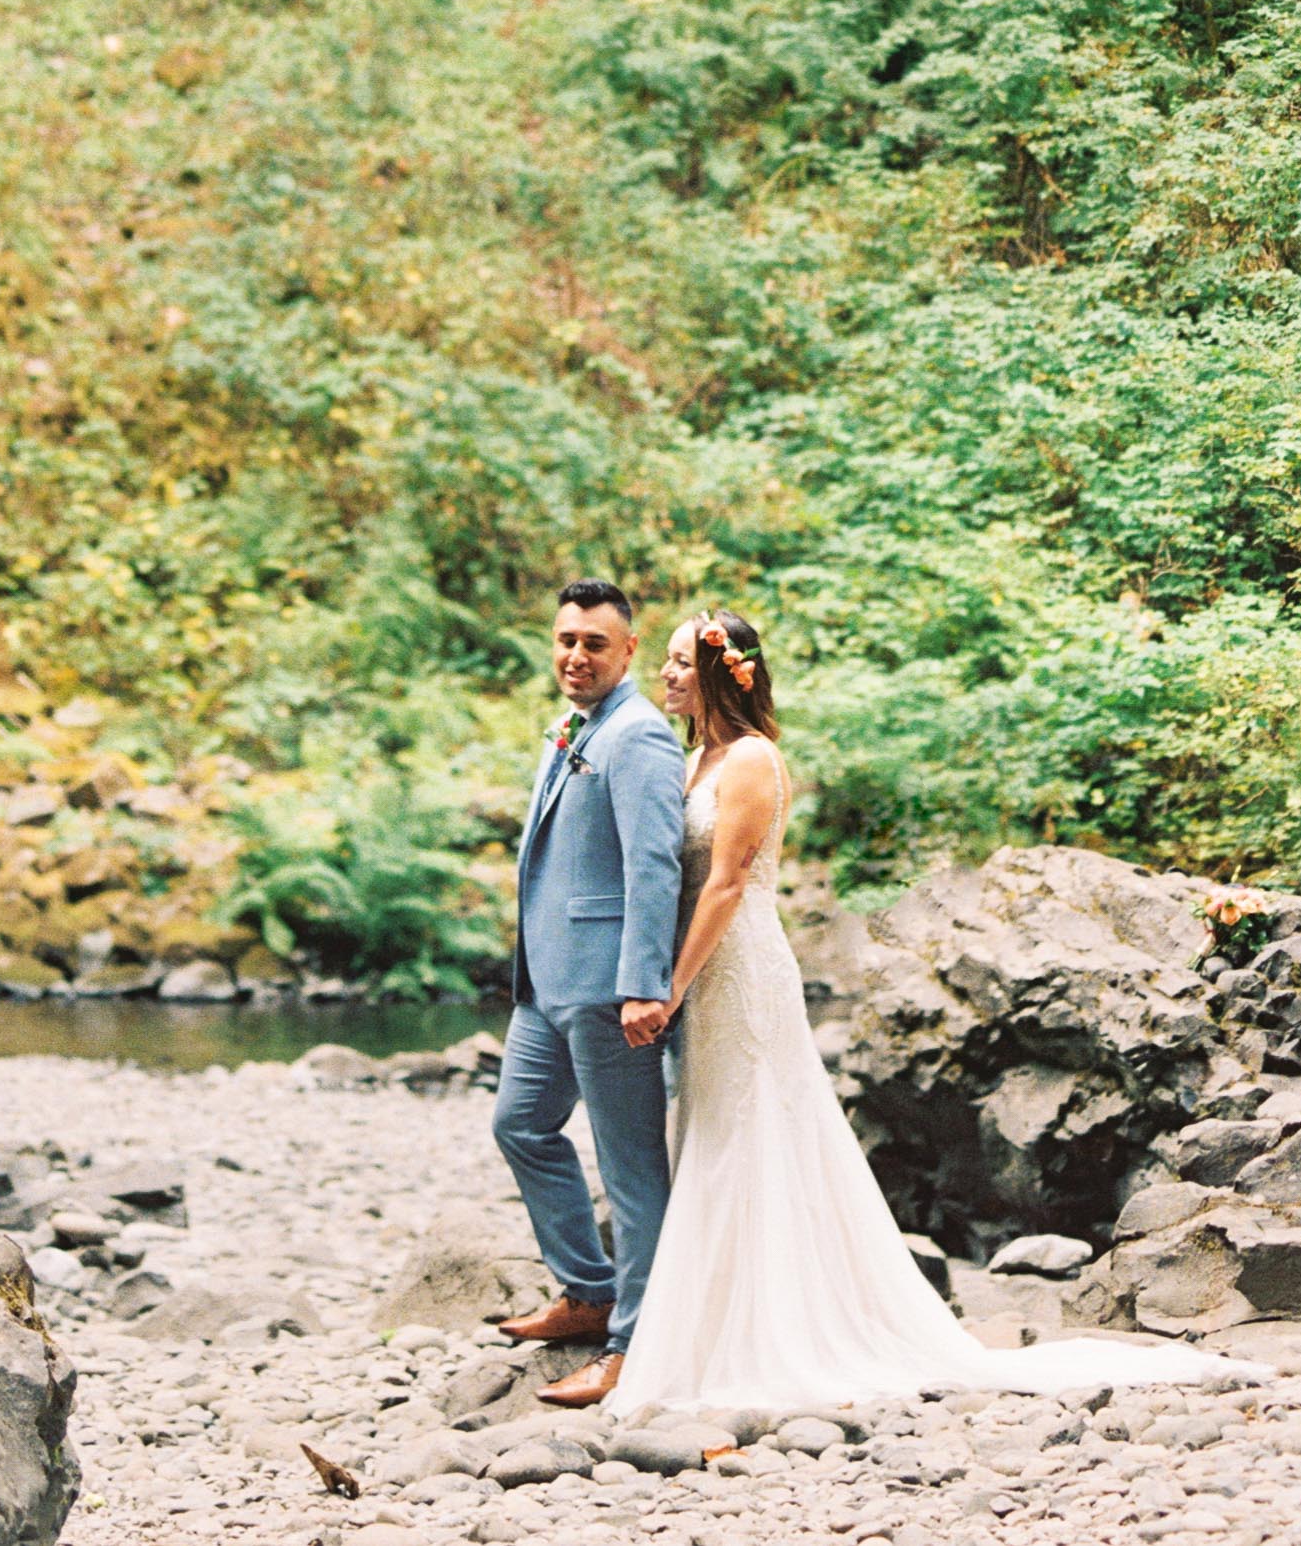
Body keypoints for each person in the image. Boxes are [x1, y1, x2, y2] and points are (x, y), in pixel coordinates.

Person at [607, 608, 1246, 1427]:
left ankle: (772, 1336)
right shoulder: (698, 757)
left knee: (754, 1129)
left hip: (737, 968)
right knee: (715, 1132)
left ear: (721, 672)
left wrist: (668, 985)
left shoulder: (755, 759)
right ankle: (711, 1328)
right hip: (703, 971)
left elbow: (727, 884)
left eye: (676, 662)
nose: (664, 675)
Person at [488, 578, 688, 1411]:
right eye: (566, 639)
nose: (575, 655)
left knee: (631, 1166)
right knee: (520, 1124)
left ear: (627, 650)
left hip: (610, 990)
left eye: (593, 643)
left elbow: (654, 866)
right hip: (545, 981)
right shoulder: (575, 724)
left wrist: (644, 985)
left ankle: (633, 1344)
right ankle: (587, 1289)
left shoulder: (639, 735)